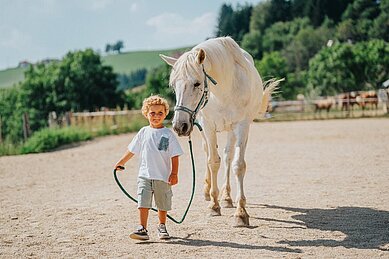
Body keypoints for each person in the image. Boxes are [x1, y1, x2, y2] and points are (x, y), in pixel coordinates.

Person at [114, 95, 183, 240]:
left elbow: (175, 155)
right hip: (144, 175)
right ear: (146, 113)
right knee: (143, 202)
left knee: (162, 203)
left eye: (160, 113)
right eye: (152, 113)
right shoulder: (143, 132)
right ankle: (142, 228)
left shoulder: (168, 134)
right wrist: (121, 162)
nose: (156, 116)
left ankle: (162, 226)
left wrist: (174, 173)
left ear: (165, 113)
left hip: (162, 176)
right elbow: (132, 150)